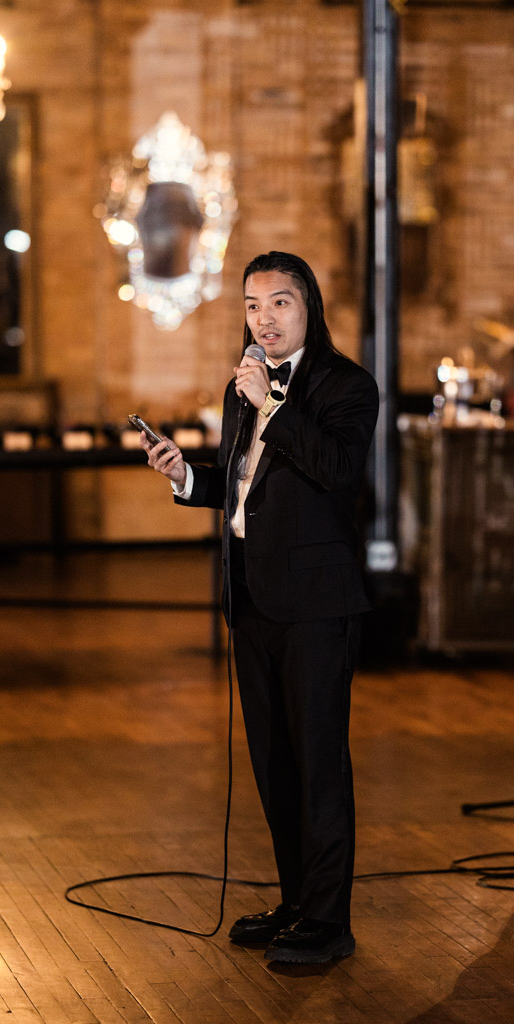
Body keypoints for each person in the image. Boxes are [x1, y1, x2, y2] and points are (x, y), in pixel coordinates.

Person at [141, 251, 379, 964]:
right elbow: (245, 491)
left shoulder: (346, 386)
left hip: (315, 605)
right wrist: (188, 477)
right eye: (252, 304)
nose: (264, 317)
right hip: (251, 599)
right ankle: (296, 902)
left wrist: (272, 406)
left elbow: (335, 473)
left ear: (308, 308)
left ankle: (329, 924)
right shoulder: (238, 389)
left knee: (317, 763)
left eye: (279, 302)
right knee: (273, 762)